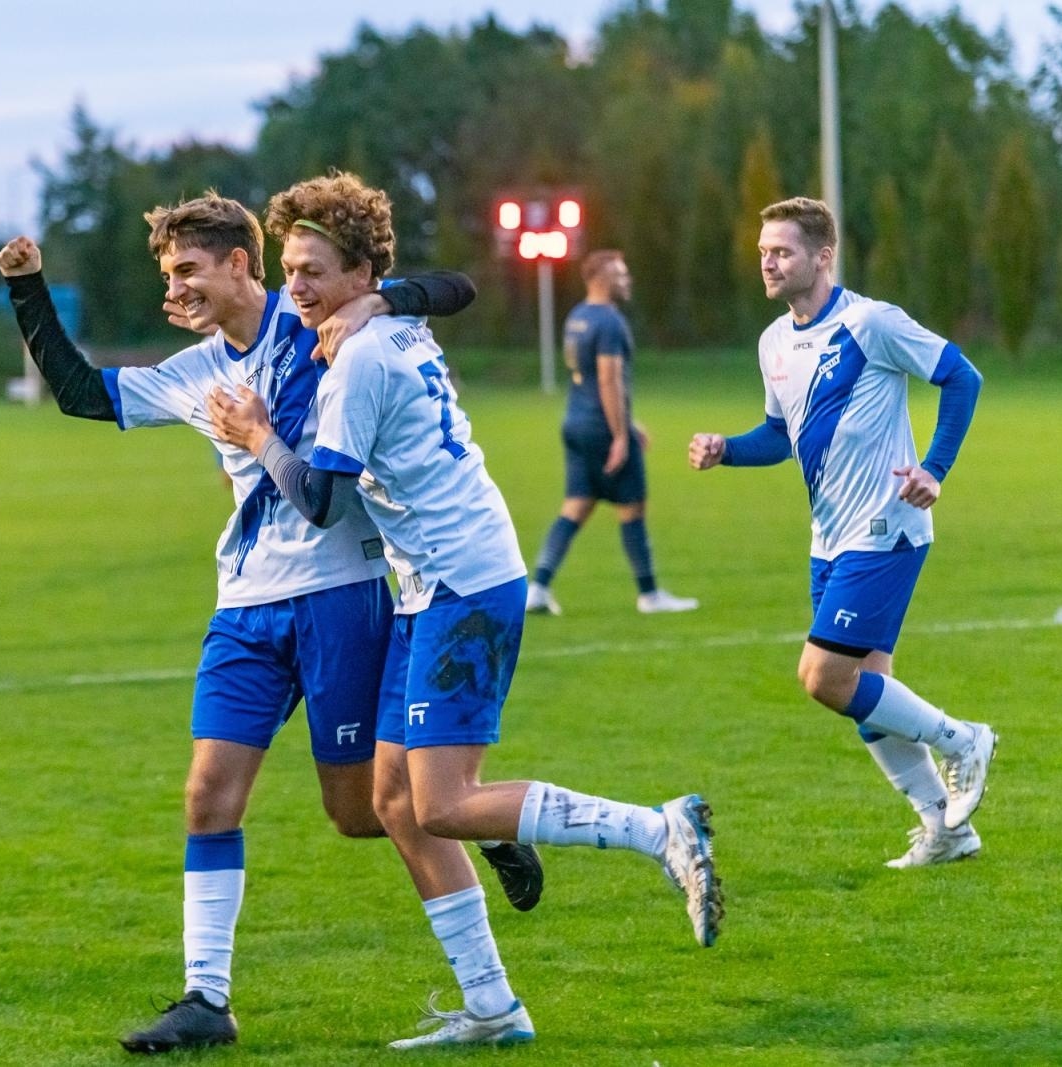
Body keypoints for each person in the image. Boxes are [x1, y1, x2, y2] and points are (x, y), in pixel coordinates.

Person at [0, 191, 541, 1054]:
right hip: (244, 609)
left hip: (342, 596)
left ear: (241, 264)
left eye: (187, 270)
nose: (173, 288)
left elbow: (455, 287)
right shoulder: (194, 370)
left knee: (367, 813)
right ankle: (206, 1000)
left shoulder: (319, 312)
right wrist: (30, 287)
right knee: (208, 796)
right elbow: (77, 392)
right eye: (167, 273)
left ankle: (480, 821)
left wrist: (380, 298)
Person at [207, 172, 719, 1050]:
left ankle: (660, 827)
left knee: (441, 803)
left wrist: (258, 435)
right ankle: (491, 1004)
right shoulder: (384, 322)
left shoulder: (361, 356)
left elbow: (322, 500)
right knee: (394, 798)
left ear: (362, 271)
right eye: (288, 266)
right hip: (426, 585)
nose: (295, 284)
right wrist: (367, 305)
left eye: (313, 269)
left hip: (464, 581)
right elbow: (454, 287)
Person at [687, 197, 995, 869]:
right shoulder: (773, 341)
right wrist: (725, 448)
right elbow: (781, 434)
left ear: (823, 256)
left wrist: (934, 468)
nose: (768, 261)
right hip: (828, 538)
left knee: (823, 675)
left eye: (783, 251)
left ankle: (964, 739)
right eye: (764, 251)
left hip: (886, 525)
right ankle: (946, 829)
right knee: (867, 696)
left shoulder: (870, 323)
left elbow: (960, 375)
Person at [525, 251, 699, 616]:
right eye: (621, 274)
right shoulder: (610, 322)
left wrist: (629, 422)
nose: (627, 280)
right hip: (603, 428)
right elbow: (607, 377)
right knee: (632, 508)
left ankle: (537, 588)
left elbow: (586, 377)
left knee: (577, 505)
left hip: (575, 422)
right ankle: (650, 595)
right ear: (602, 279)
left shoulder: (578, 316)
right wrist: (621, 435)